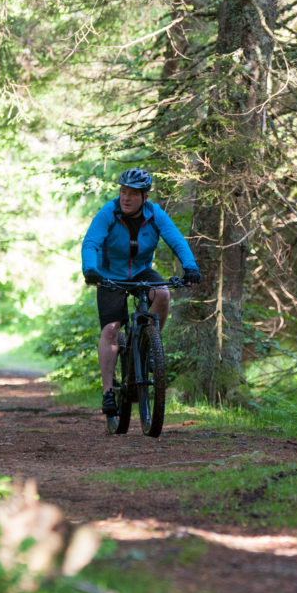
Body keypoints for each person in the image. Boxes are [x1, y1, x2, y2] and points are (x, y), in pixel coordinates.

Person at [81, 168, 201, 416]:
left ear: (145, 197)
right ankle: (107, 392)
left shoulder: (155, 214)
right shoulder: (109, 212)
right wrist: (90, 269)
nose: (126, 198)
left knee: (163, 294)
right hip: (109, 275)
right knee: (111, 329)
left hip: (140, 272)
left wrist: (190, 267)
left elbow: (177, 241)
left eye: (133, 194)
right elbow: (91, 242)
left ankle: (149, 343)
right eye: (123, 191)